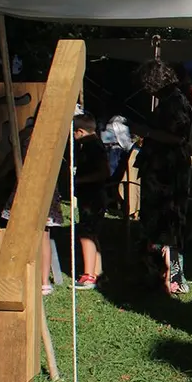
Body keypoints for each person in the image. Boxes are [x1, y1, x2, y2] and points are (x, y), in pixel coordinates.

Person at [130, 60, 192, 295]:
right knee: (161, 223)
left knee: (166, 222)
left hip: (168, 172)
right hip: (162, 168)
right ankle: (159, 273)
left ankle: (169, 276)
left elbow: (178, 138)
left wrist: (146, 131)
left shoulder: (175, 103)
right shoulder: (172, 100)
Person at [0, 111, 63, 297]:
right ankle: (29, 278)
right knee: (35, 235)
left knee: (40, 235)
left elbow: (11, 161)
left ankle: (42, 281)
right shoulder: (39, 134)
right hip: (30, 185)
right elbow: (12, 160)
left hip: (39, 187)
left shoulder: (50, 134)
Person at [72, 113, 109, 290]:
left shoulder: (91, 147)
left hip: (92, 196)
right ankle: (97, 272)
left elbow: (103, 172)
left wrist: (78, 181)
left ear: (80, 131)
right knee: (93, 232)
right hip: (94, 195)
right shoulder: (95, 143)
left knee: (86, 233)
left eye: (74, 133)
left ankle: (88, 275)